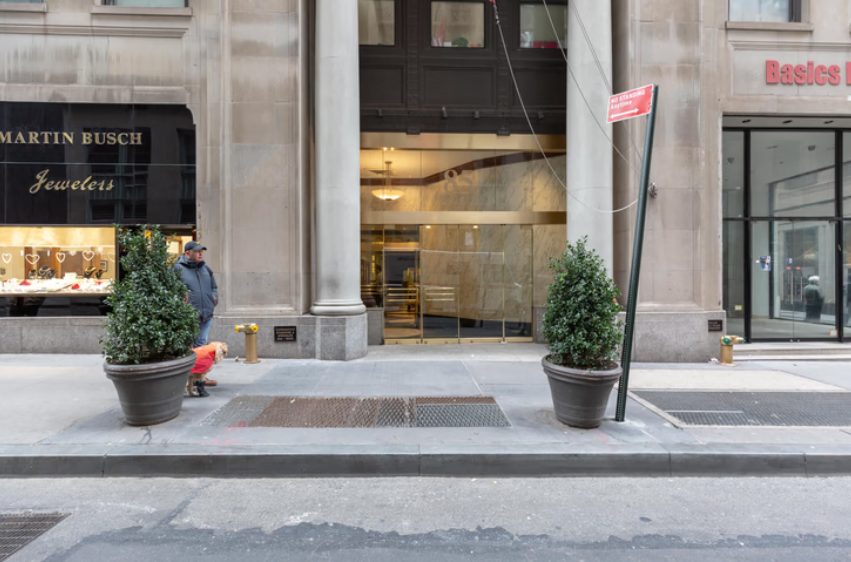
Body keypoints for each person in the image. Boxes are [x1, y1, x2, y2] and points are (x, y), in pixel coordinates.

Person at [174, 240, 218, 347]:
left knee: (201, 346)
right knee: (189, 348)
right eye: (197, 251)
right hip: (189, 317)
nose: (200, 254)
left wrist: (214, 297)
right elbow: (172, 290)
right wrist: (181, 302)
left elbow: (214, 287)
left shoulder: (206, 268)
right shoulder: (177, 268)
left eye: (201, 251)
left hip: (206, 315)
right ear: (187, 253)